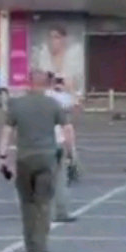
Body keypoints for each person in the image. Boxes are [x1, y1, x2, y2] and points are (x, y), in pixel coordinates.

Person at [0, 75, 75, 252]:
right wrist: (71, 153)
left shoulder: (16, 105)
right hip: (47, 158)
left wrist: (2, 156)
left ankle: (30, 243)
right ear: (47, 85)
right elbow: (67, 129)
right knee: (43, 203)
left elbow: (7, 131)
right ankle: (40, 247)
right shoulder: (53, 104)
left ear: (29, 83)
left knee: (27, 202)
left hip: (25, 158)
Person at [46, 74, 80, 222]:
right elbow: (76, 107)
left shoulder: (31, 99)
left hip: (38, 143)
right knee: (60, 179)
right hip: (57, 141)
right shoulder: (59, 99)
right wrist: (70, 89)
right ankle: (60, 212)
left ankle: (43, 212)